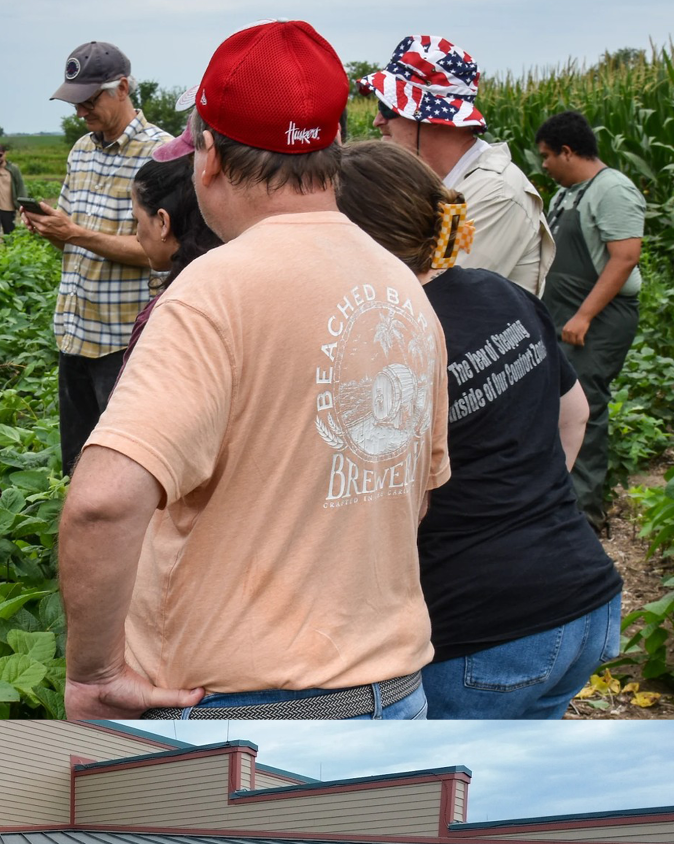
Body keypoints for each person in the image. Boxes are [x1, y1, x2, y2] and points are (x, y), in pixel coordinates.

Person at [62, 20, 448, 720]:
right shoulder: (404, 288)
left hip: (250, 715)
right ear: (334, 153)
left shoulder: (213, 290)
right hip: (394, 696)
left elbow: (103, 503)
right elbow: (413, 495)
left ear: (208, 156)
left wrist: (93, 674)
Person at [333, 139, 619, 716]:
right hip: (584, 598)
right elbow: (575, 412)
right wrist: (523, 510)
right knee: (520, 793)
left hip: (483, 634)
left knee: (444, 799)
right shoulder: (501, 292)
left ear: (353, 236)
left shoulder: (392, 343)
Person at [24, 41, 172, 475]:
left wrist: (75, 233)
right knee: (77, 464)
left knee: (125, 468)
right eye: (75, 102)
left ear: (122, 87)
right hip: (74, 333)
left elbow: (160, 252)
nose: (80, 112)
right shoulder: (81, 151)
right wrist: (54, 229)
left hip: (123, 341)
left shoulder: (159, 155)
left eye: (89, 100)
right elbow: (73, 242)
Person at [359, 36, 551, 294]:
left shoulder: (495, 193)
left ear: (432, 116)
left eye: (387, 107)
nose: (377, 121)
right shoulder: (449, 183)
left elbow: (435, 293)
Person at [537, 109, 648, 533]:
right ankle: (560, 498)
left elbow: (625, 259)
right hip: (565, 313)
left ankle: (584, 514)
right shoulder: (570, 193)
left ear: (568, 152)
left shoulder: (613, 190)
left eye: (547, 156)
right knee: (559, 403)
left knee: (586, 406)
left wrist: (583, 316)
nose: (544, 165)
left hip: (598, 318)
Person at [0, 145, 27, 250]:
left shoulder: (13, 169)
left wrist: (23, 205)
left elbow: (20, 186)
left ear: (4, 154)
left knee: (9, 234)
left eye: (0, 155)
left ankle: (9, 253)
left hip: (9, 207)